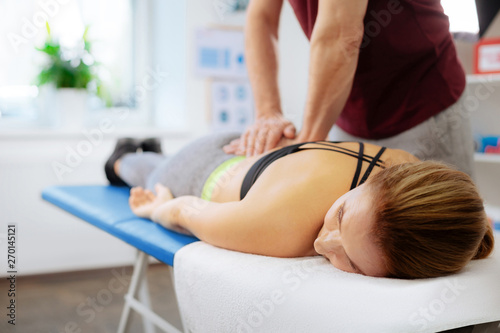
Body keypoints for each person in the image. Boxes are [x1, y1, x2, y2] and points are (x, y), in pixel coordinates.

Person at [104, 132, 494, 279]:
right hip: (202, 167)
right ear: (381, 180)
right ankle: (123, 154)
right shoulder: (279, 225)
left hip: (249, 149)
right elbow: (184, 211)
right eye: (340, 215)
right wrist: (157, 208)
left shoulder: (408, 166)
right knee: (142, 172)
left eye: (352, 263)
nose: (324, 243)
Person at [224, 0, 474, 177]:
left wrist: (308, 144)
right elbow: (261, 18)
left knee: (440, 238)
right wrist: (268, 112)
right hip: (347, 110)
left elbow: (340, 33)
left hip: (423, 99)